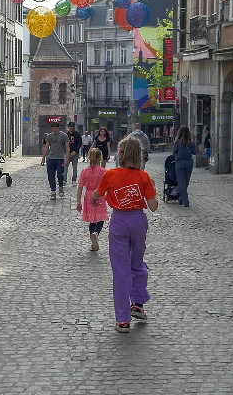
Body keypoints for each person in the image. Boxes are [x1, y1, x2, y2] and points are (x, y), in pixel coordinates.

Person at [92, 137, 158, 333]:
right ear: (138, 155)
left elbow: (97, 194)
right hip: (138, 221)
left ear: (119, 154)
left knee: (121, 269)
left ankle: (123, 320)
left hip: (119, 222)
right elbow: (153, 207)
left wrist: (95, 198)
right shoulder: (144, 177)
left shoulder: (110, 175)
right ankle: (137, 303)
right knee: (137, 263)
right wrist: (151, 187)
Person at [76, 148, 108, 251]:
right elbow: (109, 186)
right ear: (100, 158)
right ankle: (96, 233)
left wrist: (78, 201)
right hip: (99, 195)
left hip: (88, 195)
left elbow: (80, 186)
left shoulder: (84, 171)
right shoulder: (103, 172)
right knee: (100, 218)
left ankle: (92, 237)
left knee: (92, 219)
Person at [41, 122, 70, 200]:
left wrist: (66, 159)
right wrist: (43, 158)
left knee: (60, 175)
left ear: (58, 128)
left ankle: (60, 187)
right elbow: (46, 147)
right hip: (51, 158)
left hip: (60, 159)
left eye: (56, 129)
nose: (54, 130)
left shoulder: (64, 136)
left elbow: (67, 148)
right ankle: (53, 191)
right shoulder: (50, 136)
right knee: (51, 176)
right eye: (53, 129)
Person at [172, 126, 196, 207]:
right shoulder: (191, 143)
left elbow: (173, 153)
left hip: (179, 163)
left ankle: (184, 200)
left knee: (182, 182)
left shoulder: (177, 143)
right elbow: (194, 152)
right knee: (186, 182)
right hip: (189, 163)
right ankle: (183, 199)